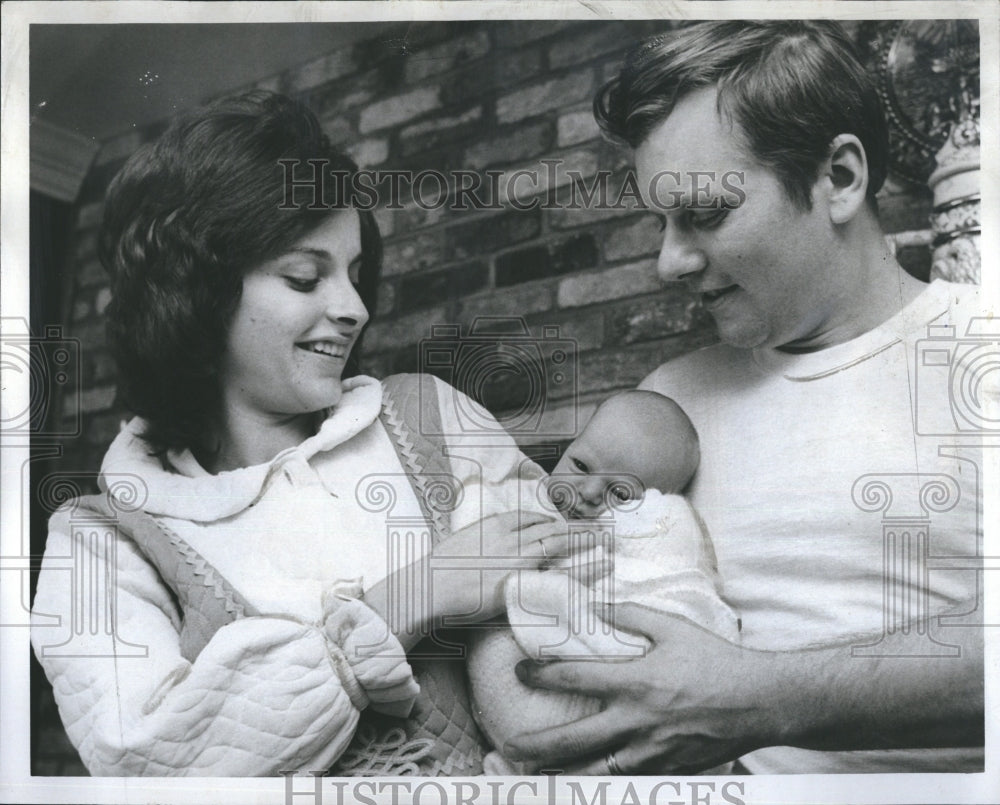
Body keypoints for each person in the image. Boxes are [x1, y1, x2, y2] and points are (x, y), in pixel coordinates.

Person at [29, 91, 572, 777]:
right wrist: (410, 598)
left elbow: (578, 606)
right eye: (304, 276)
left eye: (352, 273)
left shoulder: (434, 418)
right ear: (197, 293)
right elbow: (150, 766)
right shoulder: (102, 540)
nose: (353, 307)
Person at [503, 21, 984, 774]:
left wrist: (764, 697)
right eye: (660, 222)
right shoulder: (669, 405)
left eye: (705, 213)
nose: (668, 261)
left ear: (840, 179)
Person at [467, 391, 740, 774]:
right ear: (568, 447)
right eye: (580, 464)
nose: (590, 492)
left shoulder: (641, 548)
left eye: (621, 493)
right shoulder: (526, 505)